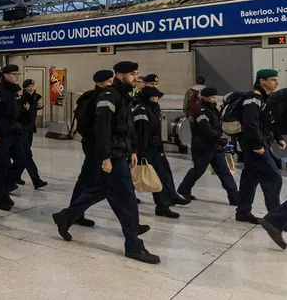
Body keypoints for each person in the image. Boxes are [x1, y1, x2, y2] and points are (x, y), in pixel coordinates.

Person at [52, 61, 160, 265]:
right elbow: (102, 129)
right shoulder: (109, 96)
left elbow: (127, 127)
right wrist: (105, 157)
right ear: (120, 75)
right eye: (132, 74)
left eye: (136, 73)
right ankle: (133, 245)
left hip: (121, 152)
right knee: (127, 197)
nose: (135, 76)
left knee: (100, 190)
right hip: (113, 154)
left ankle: (66, 217)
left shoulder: (125, 96)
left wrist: (134, 150)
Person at [234, 69, 286, 224]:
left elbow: (266, 122)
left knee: (250, 178)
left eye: (276, 80)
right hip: (255, 145)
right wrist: (258, 146)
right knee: (274, 178)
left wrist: (278, 138)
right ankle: (276, 220)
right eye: (272, 80)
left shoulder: (265, 97)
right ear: (262, 81)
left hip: (259, 143)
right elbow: (250, 124)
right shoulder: (254, 97)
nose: (276, 83)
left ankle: (243, 212)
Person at [134, 85, 190, 219]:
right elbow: (142, 134)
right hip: (148, 150)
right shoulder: (142, 111)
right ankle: (162, 206)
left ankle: (166, 202)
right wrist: (143, 152)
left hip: (155, 149)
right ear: (151, 97)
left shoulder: (152, 109)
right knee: (157, 178)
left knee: (163, 175)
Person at [68, 69, 115, 228]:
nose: (111, 84)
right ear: (99, 83)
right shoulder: (95, 98)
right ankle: (73, 213)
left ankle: (75, 212)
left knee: (88, 178)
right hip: (95, 144)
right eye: (108, 81)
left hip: (95, 144)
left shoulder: (93, 96)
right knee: (92, 179)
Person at [177, 87, 239, 205]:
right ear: (204, 97)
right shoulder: (200, 112)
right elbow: (206, 130)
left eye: (215, 97)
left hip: (215, 146)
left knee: (224, 172)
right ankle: (183, 189)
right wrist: (221, 141)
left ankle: (234, 197)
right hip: (202, 147)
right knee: (198, 170)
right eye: (212, 97)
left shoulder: (214, 110)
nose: (214, 99)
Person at [0, 64, 24, 211]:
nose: (16, 77)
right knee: (1, 167)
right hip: (1, 134)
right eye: (14, 74)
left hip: (13, 131)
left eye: (17, 74)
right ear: (6, 75)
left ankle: (5, 188)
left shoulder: (14, 91)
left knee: (22, 160)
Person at [15, 78, 47, 189]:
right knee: (27, 155)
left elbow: (35, 111)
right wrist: (23, 110)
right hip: (22, 129)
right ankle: (36, 180)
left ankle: (16, 176)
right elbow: (17, 115)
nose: (31, 88)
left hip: (30, 129)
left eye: (32, 86)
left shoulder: (35, 97)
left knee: (24, 155)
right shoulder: (21, 98)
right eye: (28, 86)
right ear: (25, 87)